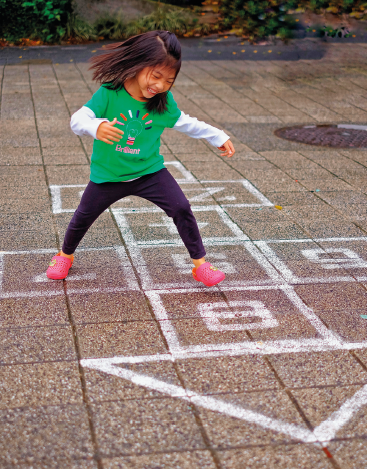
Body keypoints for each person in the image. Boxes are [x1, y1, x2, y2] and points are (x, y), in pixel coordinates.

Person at [46, 30, 235, 287]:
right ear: (137, 64)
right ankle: (64, 255)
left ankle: (200, 264)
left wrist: (218, 136)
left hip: (149, 172)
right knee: (83, 215)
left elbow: (186, 123)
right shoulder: (110, 92)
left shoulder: (162, 102)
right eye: (156, 76)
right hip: (109, 174)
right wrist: (96, 127)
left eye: (168, 81)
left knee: (181, 208)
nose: (159, 86)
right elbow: (78, 120)